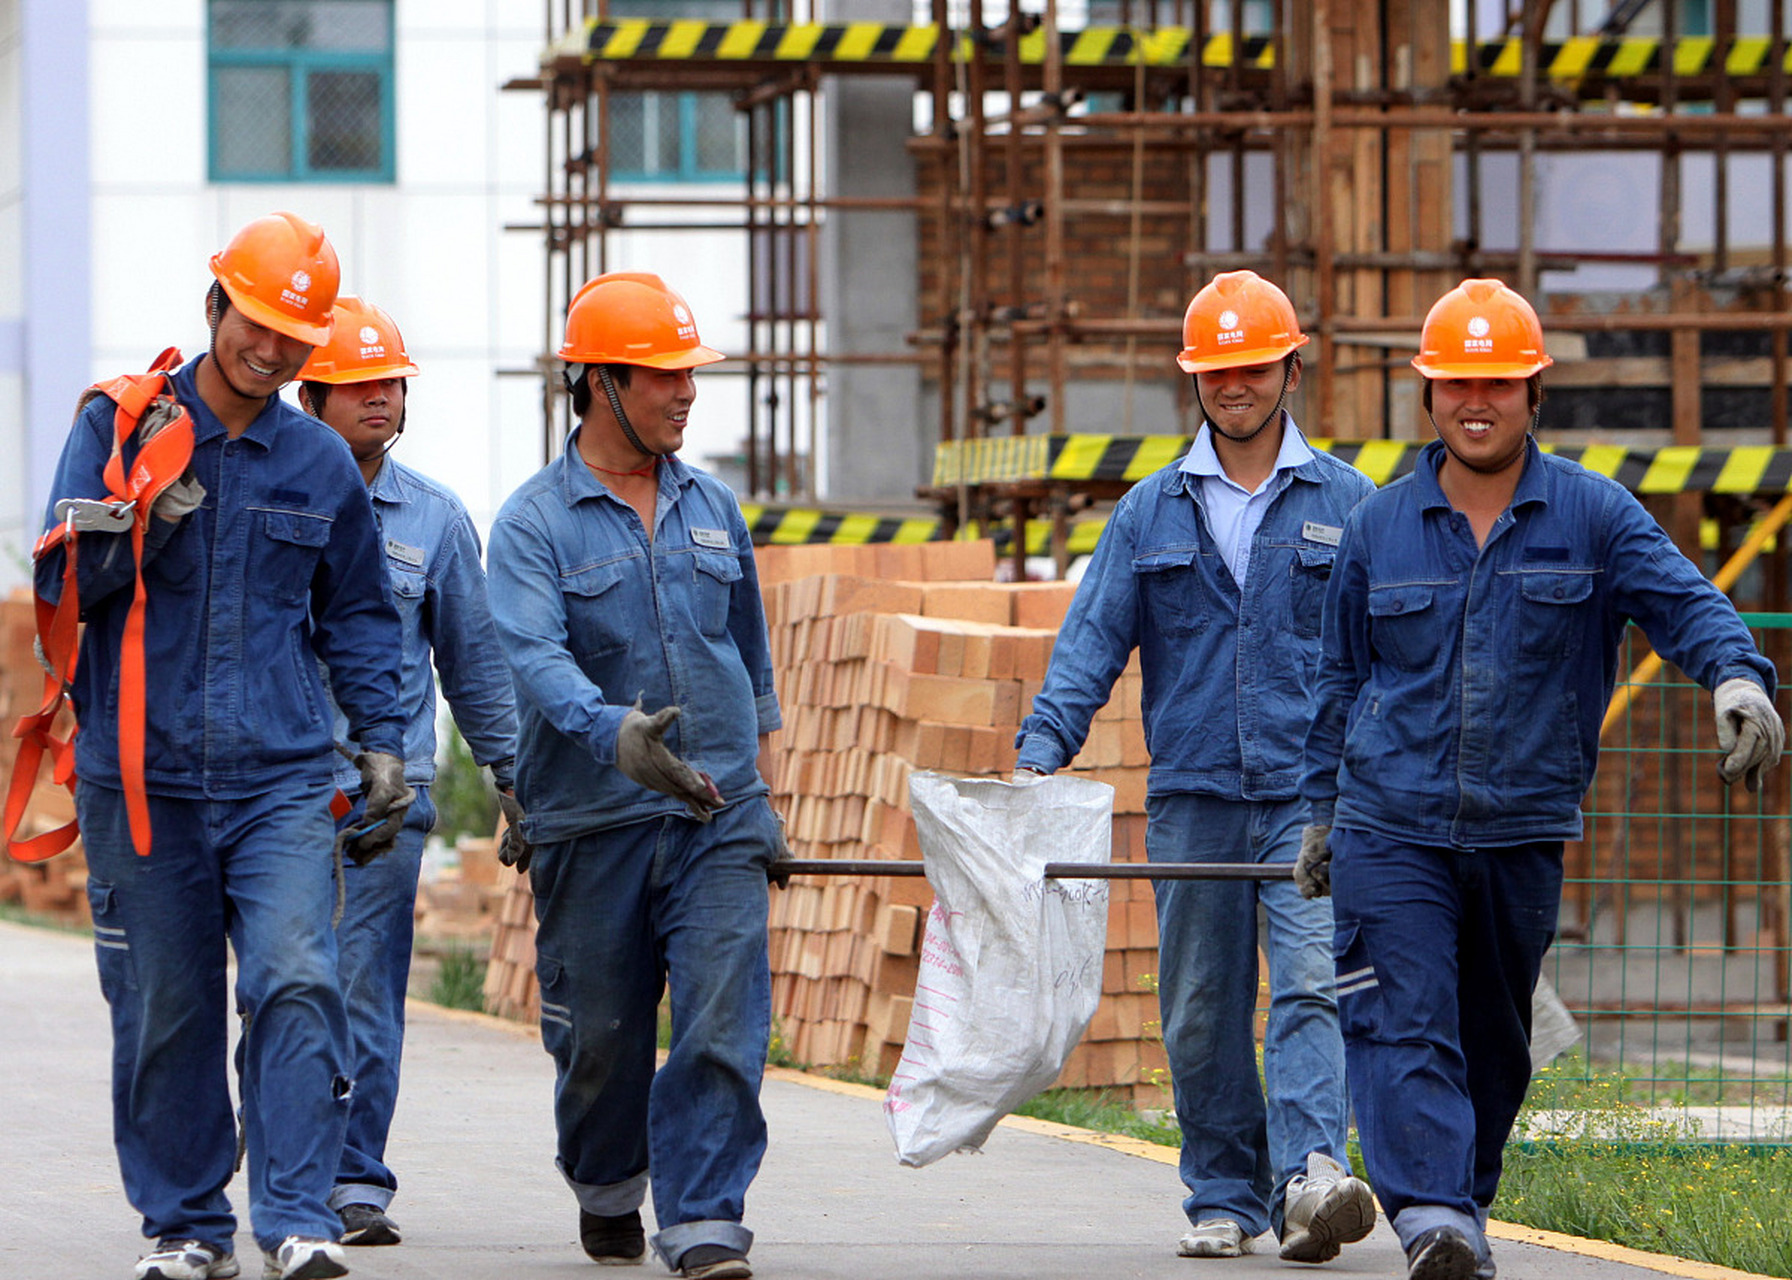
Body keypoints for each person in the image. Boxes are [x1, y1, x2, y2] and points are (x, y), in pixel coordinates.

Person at [1297, 278, 1785, 1280]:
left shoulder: (1592, 514)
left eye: (1498, 384)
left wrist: (1737, 677)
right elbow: (1338, 682)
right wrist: (1320, 815)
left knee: (1493, 1041)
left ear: (1532, 393)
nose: (1476, 403)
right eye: (1454, 384)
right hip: (1391, 824)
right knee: (1403, 1016)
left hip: (1521, 826)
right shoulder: (1380, 528)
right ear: (1427, 395)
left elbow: (1685, 603)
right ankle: (1433, 1212)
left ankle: (1454, 1214)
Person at [36, 213, 412, 1280]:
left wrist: (381, 744)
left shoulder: (319, 464)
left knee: (297, 978)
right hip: (141, 776)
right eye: (259, 323)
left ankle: (296, 1214)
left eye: (295, 337)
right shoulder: (117, 426)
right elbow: (60, 592)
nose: (273, 349)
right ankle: (187, 1227)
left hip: (279, 777)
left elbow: (362, 616)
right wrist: (140, 521)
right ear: (217, 307)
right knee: (169, 1004)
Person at [1014, 270, 1377, 1263]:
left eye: (1252, 365)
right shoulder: (1148, 513)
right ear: (1194, 380)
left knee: (1308, 979)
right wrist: (1041, 749)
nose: (1235, 383)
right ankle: (1223, 1189)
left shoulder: (1350, 503)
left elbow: (1392, 655)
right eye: (1216, 368)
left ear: (1289, 367)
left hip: (1310, 801)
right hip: (1193, 797)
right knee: (1201, 1004)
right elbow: (1091, 641)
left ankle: (1309, 1173)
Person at [486, 272, 784, 1280]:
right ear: (597, 382)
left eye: (687, 375)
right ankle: (607, 1181)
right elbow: (530, 653)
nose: (683, 393)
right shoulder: (531, 524)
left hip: (714, 817)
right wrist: (611, 732)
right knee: (601, 1041)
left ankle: (704, 1215)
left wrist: (759, 791)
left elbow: (748, 654)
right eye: (660, 376)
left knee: (719, 1014)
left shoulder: (714, 506)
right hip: (592, 819)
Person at [295, 296, 522, 1249]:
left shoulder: (432, 519)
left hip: (391, 797)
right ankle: (286, 1162)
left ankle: (353, 1180)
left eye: (391, 383)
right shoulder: (274, 496)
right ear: (313, 396)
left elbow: (473, 664)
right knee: (280, 985)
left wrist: (517, 782)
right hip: (279, 791)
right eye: (358, 385)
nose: (380, 399)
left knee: (364, 989)